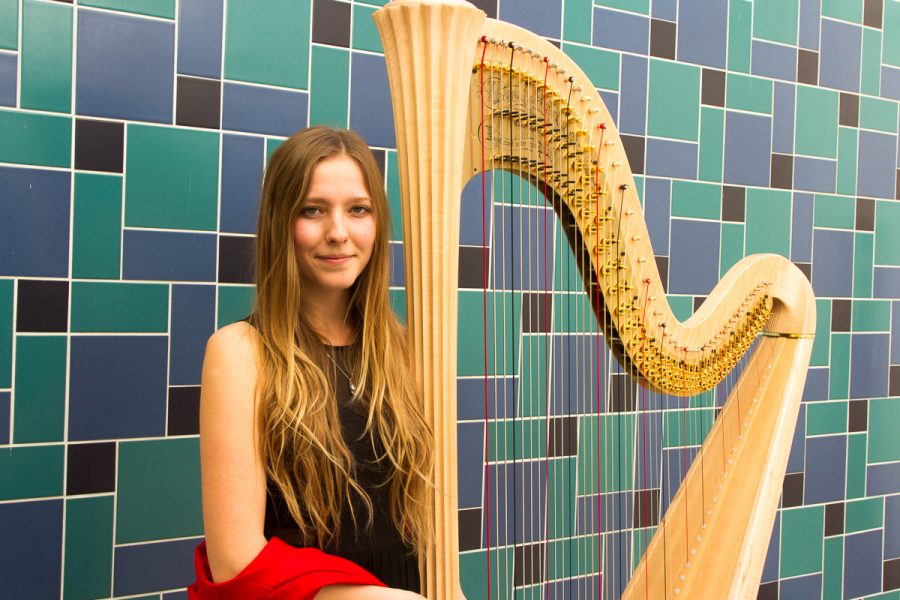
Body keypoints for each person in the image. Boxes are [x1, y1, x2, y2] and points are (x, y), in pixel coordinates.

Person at [189, 127, 434, 599]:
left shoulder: (402, 349)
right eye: (313, 210)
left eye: (358, 209)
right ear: (283, 221)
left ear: (378, 224)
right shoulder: (239, 353)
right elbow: (235, 561)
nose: (338, 232)